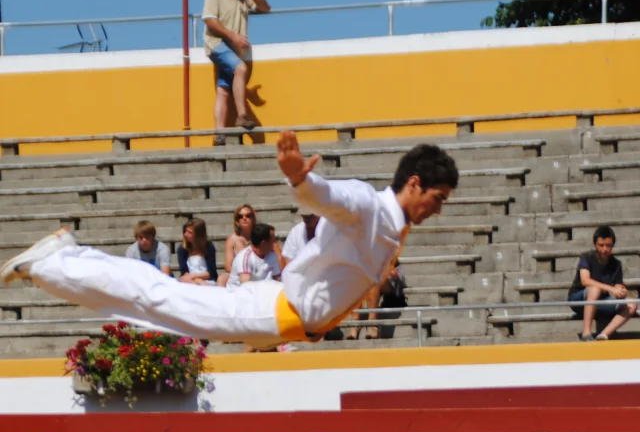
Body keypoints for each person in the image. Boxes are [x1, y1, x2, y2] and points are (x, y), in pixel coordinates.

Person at [0, 133, 459, 350]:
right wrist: (301, 178)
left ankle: (65, 259)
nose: (438, 208)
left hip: (282, 312)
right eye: (438, 198)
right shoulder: (370, 205)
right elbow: (332, 196)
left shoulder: (393, 225)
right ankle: (57, 261)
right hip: (274, 312)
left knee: (160, 303)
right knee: (159, 300)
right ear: (414, 183)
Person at [202, 0, 270, 145]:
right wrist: (233, 36)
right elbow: (209, 20)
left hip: (233, 49)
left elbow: (266, 8)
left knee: (223, 91)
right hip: (216, 44)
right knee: (240, 69)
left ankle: (219, 134)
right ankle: (241, 115)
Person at [568, 225, 638, 340]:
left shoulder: (616, 264)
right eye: (601, 245)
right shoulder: (586, 257)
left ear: (612, 246)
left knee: (632, 304)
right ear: (595, 245)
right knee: (594, 289)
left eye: (608, 246)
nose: (604, 249)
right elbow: (585, 280)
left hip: (600, 302)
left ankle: (603, 335)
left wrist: (621, 291)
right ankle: (586, 333)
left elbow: (617, 285)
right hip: (580, 300)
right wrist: (610, 289)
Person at [227, 223, 281, 289]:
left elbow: (277, 279)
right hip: (238, 295)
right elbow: (246, 287)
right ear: (263, 243)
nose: (275, 242)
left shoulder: (272, 255)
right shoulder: (244, 258)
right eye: (273, 240)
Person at [177, 218, 217, 284]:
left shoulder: (209, 247)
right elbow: (184, 272)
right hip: (189, 280)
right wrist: (195, 280)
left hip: (206, 280)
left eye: (190, 232)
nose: (185, 234)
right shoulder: (182, 248)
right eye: (185, 231)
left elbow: (211, 273)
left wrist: (197, 279)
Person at [223, 203, 256, 279]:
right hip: (237, 274)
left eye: (248, 215)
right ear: (237, 220)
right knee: (222, 278)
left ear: (253, 218)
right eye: (240, 216)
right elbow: (228, 266)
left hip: (256, 273)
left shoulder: (259, 236)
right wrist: (242, 274)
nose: (244, 218)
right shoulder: (232, 239)